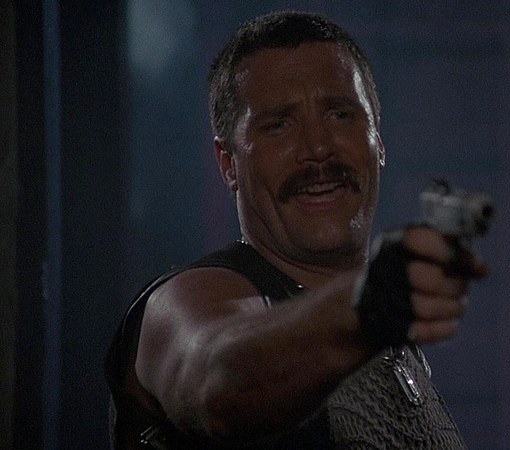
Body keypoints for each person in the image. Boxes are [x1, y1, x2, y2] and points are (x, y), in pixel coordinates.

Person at [105, 10, 488, 449]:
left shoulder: (393, 344)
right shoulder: (183, 301)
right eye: (278, 125)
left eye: (340, 115)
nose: (318, 148)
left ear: (378, 140)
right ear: (228, 163)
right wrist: (362, 305)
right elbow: (217, 379)